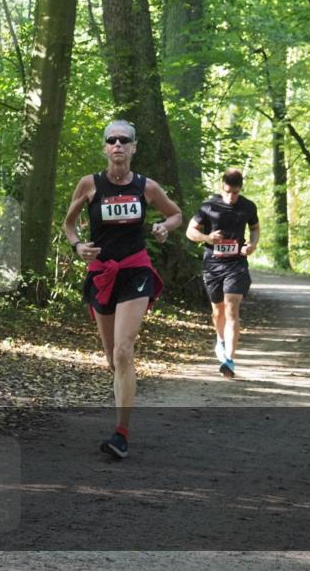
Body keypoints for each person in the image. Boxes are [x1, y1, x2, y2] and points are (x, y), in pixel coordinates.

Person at [62, 120, 182, 459]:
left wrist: (163, 226)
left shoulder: (146, 187)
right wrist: (77, 246)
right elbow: (69, 223)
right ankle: (123, 406)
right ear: (104, 148)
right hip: (102, 274)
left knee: (124, 351)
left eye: (124, 140)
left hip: (135, 270)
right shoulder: (89, 184)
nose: (117, 145)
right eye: (111, 140)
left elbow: (175, 214)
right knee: (112, 358)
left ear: (133, 147)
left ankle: (121, 433)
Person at [185, 168, 259, 379]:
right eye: (227, 192)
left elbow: (255, 228)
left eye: (235, 193)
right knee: (218, 311)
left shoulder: (247, 206)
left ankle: (229, 359)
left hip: (237, 264)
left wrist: (252, 245)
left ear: (240, 189)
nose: (231, 197)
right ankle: (221, 339)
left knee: (232, 307)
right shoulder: (208, 206)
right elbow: (190, 231)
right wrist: (208, 238)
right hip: (213, 265)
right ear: (222, 187)